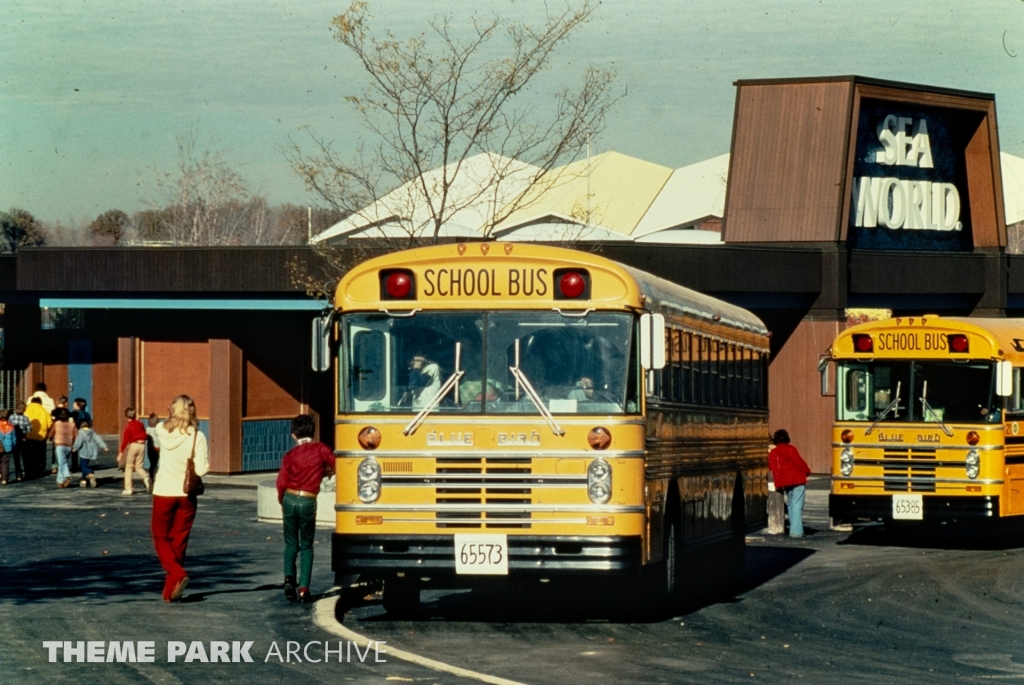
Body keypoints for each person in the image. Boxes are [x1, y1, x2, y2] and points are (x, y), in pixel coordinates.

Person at [151, 395, 209, 603]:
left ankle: (177, 574)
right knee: (179, 539)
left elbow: (162, 422)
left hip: (164, 491)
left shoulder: (161, 430)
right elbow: (202, 469)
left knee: (160, 536)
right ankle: (171, 590)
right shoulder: (198, 436)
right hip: (187, 494)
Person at [276, 414, 335, 603]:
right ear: (313, 432)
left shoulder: (290, 455)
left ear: (294, 435)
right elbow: (337, 464)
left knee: (290, 543)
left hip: (289, 497)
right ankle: (304, 588)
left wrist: (282, 500)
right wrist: (326, 471)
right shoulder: (321, 449)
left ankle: (288, 577)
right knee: (307, 546)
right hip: (308, 499)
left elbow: (281, 482)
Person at [768, 429, 811, 538]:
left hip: (785, 481)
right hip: (798, 479)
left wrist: (777, 482)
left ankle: (795, 529)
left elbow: (773, 468)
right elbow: (799, 462)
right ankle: (796, 532)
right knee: (797, 505)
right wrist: (807, 472)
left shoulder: (774, 452)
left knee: (792, 505)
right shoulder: (791, 449)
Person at [119, 407, 150, 495]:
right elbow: (144, 433)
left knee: (129, 466)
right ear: (135, 415)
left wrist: (121, 452)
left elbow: (125, 440)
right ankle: (146, 477)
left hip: (134, 445)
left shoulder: (128, 426)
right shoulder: (140, 424)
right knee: (139, 466)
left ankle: (128, 488)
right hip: (142, 445)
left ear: (126, 417)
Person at [47, 407, 77, 488]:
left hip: (59, 445)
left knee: (62, 463)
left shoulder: (57, 423)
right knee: (62, 463)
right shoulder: (72, 424)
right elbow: (76, 435)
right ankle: (60, 481)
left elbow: (51, 434)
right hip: (69, 445)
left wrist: (50, 438)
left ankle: (67, 475)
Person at [73, 420, 109, 488]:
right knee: (85, 466)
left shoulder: (81, 432)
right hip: (91, 452)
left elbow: (79, 442)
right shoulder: (92, 432)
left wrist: (75, 448)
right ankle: (83, 480)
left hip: (84, 452)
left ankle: (90, 473)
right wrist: (104, 446)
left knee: (83, 467)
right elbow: (98, 439)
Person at [24, 397, 52, 480]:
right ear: (40, 403)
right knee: (39, 454)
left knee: (28, 455)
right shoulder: (44, 411)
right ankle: (38, 470)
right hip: (41, 437)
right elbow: (50, 424)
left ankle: (28, 471)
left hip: (28, 436)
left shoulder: (26, 410)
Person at [8, 402, 30, 482]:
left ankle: (18, 475)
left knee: (16, 457)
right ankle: (27, 472)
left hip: (14, 438)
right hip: (22, 438)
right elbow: (29, 429)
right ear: (24, 409)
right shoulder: (25, 418)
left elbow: (9, 427)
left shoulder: (11, 417)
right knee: (25, 456)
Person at [0, 410, 16, 485]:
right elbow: (14, 439)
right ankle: (4, 479)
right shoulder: (11, 426)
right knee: (5, 463)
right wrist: (13, 446)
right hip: (8, 447)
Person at [145, 412, 161, 481]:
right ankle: (156, 475)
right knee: (156, 462)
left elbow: (145, 437)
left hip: (151, 448)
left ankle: (151, 477)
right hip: (158, 447)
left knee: (152, 463)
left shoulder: (147, 429)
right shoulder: (159, 429)